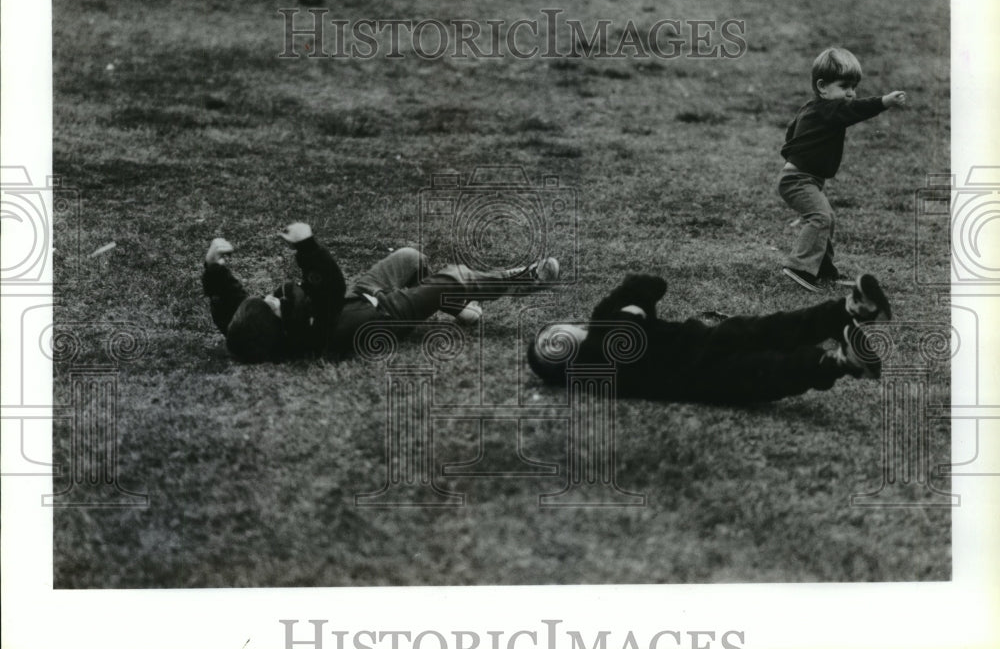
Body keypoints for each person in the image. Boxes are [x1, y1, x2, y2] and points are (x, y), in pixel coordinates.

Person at [202, 223, 559, 363]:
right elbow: (329, 284)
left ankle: (458, 307)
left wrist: (214, 269)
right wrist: (307, 246)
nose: (270, 297)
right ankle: (523, 279)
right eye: (272, 305)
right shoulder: (315, 329)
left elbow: (232, 315)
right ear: (282, 327)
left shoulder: (259, 330)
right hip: (385, 315)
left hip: (357, 300)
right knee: (452, 278)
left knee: (411, 258)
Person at [527, 271, 892, 404]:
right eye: (548, 352)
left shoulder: (604, 320)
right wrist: (632, 309)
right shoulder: (594, 368)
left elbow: (652, 283)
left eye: (549, 334)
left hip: (704, 338)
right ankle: (841, 361)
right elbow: (634, 312)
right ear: (563, 371)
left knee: (777, 327)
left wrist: (630, 308)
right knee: (769, 369)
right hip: (698, 378)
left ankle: (850, 309)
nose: (554, 341)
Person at [778, 47, 907, 291]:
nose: (851, 93)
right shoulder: (829, 109)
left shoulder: (812, 108)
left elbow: (790, 131)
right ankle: (799, 267)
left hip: (804, 178)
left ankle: (822, 270)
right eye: (845, 86)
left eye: (854, 86)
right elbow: (856, 109)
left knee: (828, 218)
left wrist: (793, 152)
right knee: (820, 217)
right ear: (822, 86)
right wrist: (884, 102)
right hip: (798, 179)